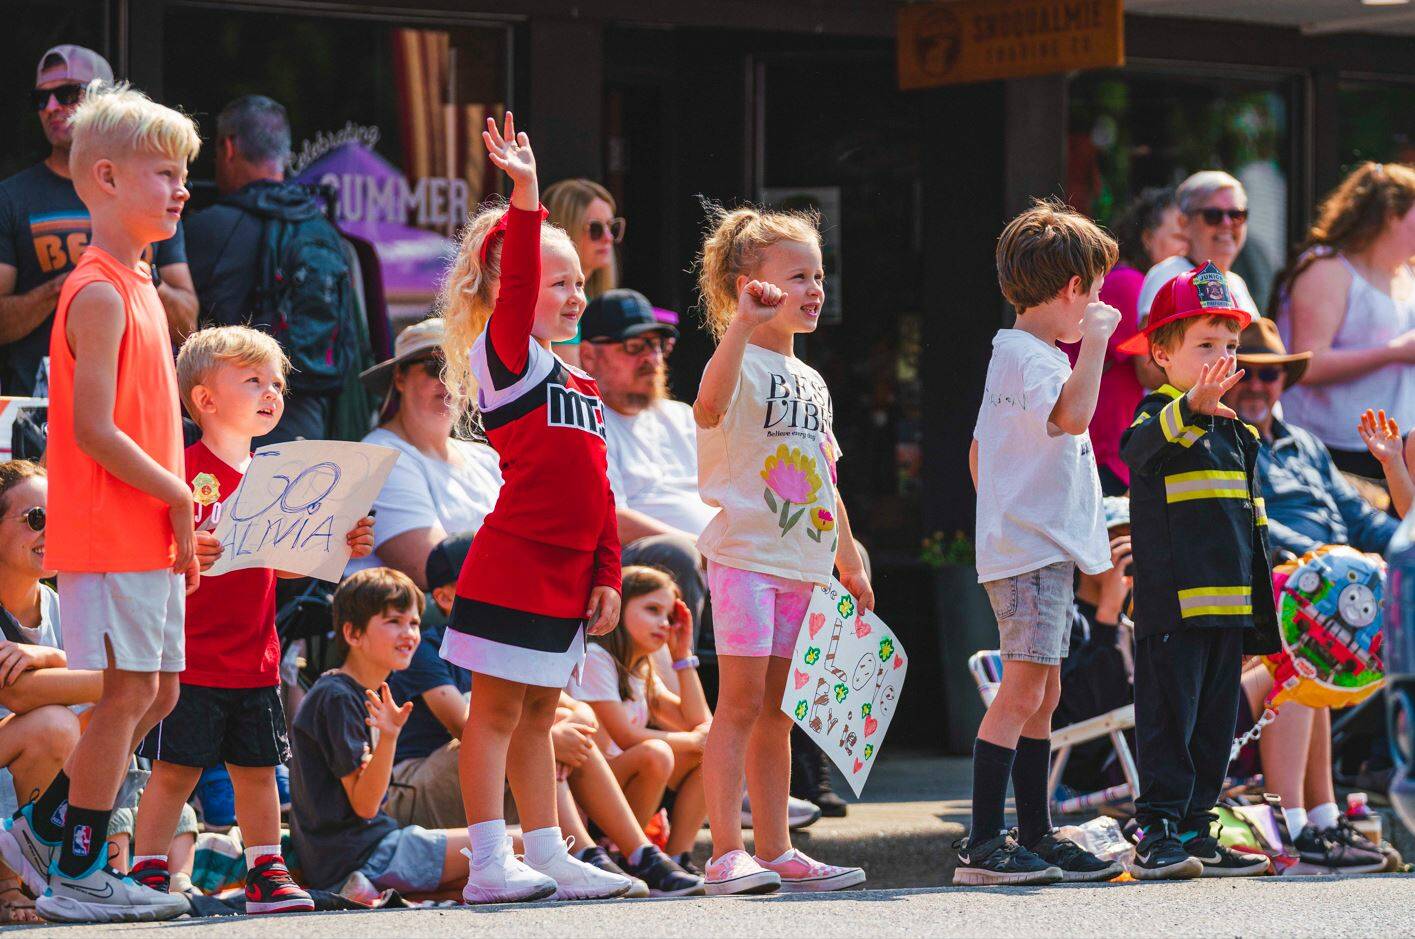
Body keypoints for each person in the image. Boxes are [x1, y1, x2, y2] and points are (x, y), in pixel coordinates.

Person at [0, 83, 199, 924]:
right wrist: (178, 494)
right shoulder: (100, 290)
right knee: (127, 693)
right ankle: (79, 871)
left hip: (144, 533)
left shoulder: (140, 283)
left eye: (183, 172)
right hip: (113, 534)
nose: (181, 188)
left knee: (158, 693)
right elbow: (91, 430)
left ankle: (39, 837)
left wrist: (175, 508)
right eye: (165, 172)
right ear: (107, 178)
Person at [437, 114, 631, 904]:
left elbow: (600, 489)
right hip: (513, 565)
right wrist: (526, 195)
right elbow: (517, 282)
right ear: (505, 286)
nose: (574, 295)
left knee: (542, 713)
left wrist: (609, 572)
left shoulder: (577, 378)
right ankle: (489, 858)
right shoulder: (506, 355)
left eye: (579, 281)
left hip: (568, 575)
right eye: (557, 282)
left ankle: (548, 850)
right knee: (494, 712)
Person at [129, 326, 374, 913]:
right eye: (254, 381)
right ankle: (147, 874)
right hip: (187, 656)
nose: (272, 393)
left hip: (256, 654)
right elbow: (143, 551)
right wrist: (183, 550)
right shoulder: (177, 471)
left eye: (277, 384)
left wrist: (337, 543)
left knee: (259, 769)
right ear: (205, 399)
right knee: (174, 770)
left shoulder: (276, 473)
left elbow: (280, 564)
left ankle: (266, 870)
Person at [578, 288, 844, 820]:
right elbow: (610, 513)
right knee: (681, 556)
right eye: (633, 347)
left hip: (733, 547)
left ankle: (810, 765)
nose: (651, 357)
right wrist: (705, 547)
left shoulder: (680, 416)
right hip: (655, 560)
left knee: (839, 554)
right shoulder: (590, 417)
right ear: (589, 354)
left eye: (658, 344)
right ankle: (731, 784)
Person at [692, 201, 867, 896]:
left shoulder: (813, 380)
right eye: (797, 277)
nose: (814, 289)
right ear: (748, 285)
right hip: (744, 559)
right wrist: (739, 326)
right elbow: (708, 408)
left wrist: (848, 556)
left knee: (780, 711)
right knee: (737, 703)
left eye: (818, 275)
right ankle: (724, 854)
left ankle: (777, 848)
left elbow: (825, 476)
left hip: (802, 566)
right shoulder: (737, 359)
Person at [391, 535, 704, 897]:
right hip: (418, 785)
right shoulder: (428, 646)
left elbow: (577, 709)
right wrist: (552, 736)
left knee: (550, 732)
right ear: (446, 598)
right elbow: (464, 724)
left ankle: (638, 855)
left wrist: (566, 726)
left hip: (482, 782)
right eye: (488, 578)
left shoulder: (505, 642)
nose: (504, 589)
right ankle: (584, 854)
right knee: (539, 736)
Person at [960, 199, 1122, 887]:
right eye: (1095, 292)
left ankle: (1034, 831)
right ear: (1072, 289)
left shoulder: (1014, 353)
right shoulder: (1038, 359)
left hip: (1030, 547)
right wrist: (1097, 343)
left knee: (1043, 690)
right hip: (1031, 551)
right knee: (1023, 688)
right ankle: (984, 841)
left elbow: (979, 452)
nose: (1097, 306)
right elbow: (1075, 416)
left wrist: (1006, 509)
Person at [1218, 320, 1400, 873]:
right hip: (1279, 593)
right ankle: (1296, 826)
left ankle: (1323, 818)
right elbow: (1247, 522)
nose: (1257, 385)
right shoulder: (1221, 439)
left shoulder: (1307, 446)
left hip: (1339, 591)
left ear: (1283, 381)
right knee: (1304, 657)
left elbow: (1361, 519)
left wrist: (1404, 548)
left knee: (1319, 651)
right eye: (1246, 373)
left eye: (1270, 375)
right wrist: (1327, 560)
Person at [1118, 261, 1278, 880]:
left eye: (1230, 346)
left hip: (1228, 612)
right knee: (1169, 722)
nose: (1223, 358)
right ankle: (1156, 832)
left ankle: (1196, 828)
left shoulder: (1237, 433)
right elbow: (1136, 452)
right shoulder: (1158, 415)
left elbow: (1252, 529)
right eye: (1205, 345)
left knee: (1214, 727)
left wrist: (1258, 618)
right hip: (1174, 609)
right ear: (1161, 353)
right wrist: (1188, 407)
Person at [0, 46, 197, 396]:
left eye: (67, 94)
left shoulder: (153, 200)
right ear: (105, 178)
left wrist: (139, 275)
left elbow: (187, 323)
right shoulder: (12, 197)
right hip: (37, 402)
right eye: (40, 98)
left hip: (138, 397)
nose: (51, 107)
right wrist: (69, 285)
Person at [288, 568, 474, 896]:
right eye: (394, 622)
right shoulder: (337, 697)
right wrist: (389, 737)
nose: (409, 634)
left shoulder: (357, 693)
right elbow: (365, 806)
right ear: (353, 633)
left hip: (359, 853)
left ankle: (392, 893)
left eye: (414, 623)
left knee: (478, 881)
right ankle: (369, 889)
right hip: (361, 856)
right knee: (512, 847)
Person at [184, 95, 357, 444]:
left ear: (229, 148)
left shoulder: (206, 229)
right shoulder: (325, 233)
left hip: (228, 429)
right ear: (284, 153)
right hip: (310, 425)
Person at [1272, 162, 1415, 479]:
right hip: (1332, 450)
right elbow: (1307, 365)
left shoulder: (1407, 271)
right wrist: (1394, 352)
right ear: (1391, 216)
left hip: (1397, 447)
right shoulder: (1327, 269)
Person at [567, 566, 710, 866]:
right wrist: (697, 739)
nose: (664, 623)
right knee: (655, 754)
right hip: (589, 793)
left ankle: (678, 857)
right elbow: (627, 737)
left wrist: (682, 656)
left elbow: (697, 723)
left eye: (669, 616)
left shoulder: (640, 669)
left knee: (715, 755)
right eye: (652, 609)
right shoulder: (596, 657)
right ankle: (627, 853)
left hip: (623, 784)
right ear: (619, 607)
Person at [347, 317, 502, 587]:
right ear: (400, 378)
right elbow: (433, 569)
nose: (450, 380)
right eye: (436, 367)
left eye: (462, 369)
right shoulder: (380, 456)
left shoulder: (487, 458)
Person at [1064, 187, 1187, 494]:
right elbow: (1150, 370)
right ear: (1148, 238)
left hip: (1109, 449)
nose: (1188, 246)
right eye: (1179, 236)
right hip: (1103, 451)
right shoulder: (1130, 283)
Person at [1137, 171, 1260, 326]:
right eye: (1213, 215)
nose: (1227, 223)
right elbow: (1152, 340)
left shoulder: (1237, 283)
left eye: (1237, 215)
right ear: (1184, 223)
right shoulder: (1170, 277)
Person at [544, 178, 622, 367]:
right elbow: (569, 379)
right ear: (566, 230)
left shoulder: (584, 299)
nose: (608, 238)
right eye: (596, 229)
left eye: (613, 227)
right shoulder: (561, 301)